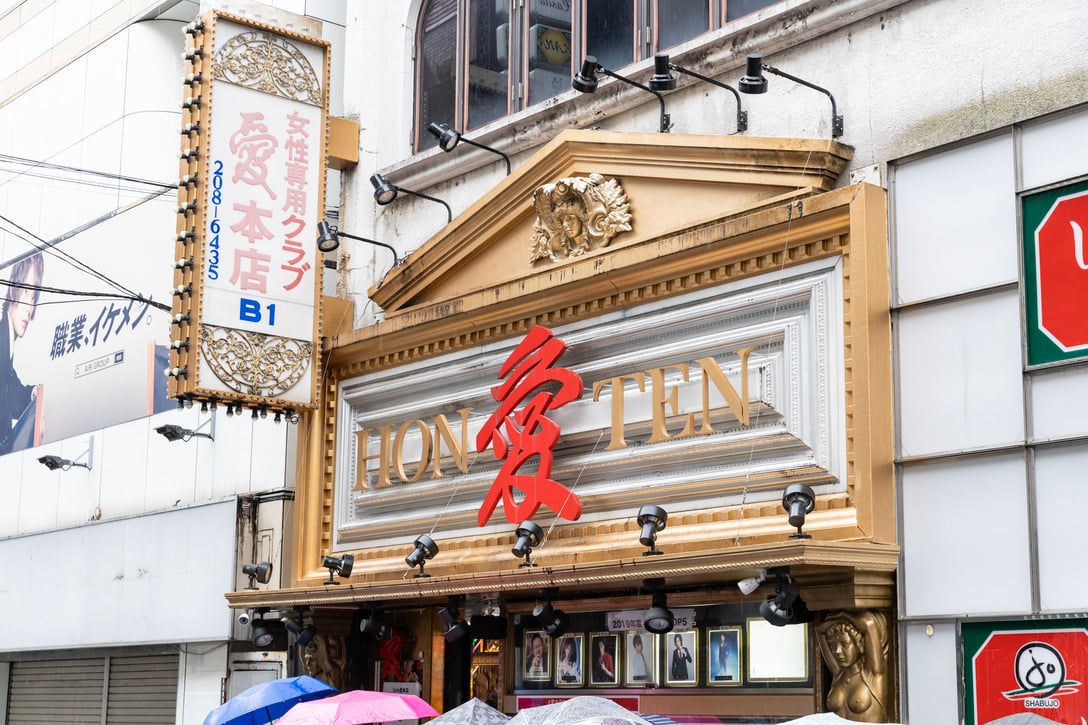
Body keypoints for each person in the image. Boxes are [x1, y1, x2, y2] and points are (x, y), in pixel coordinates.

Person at [0, 252, 42, 454]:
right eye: (25, 293)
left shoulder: (6, 344)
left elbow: (12, 396)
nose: (29, 308)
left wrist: (34, 393)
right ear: (11, 291)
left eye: (33, 297)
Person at [816, 611, 889, 723]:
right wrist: (839, 619)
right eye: (833, 646)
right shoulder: (838, 674)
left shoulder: (872, 674)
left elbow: (869, 625)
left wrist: (843, 615)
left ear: (859, 645)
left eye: (845, 645)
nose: (837, 651)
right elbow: (819, 631)